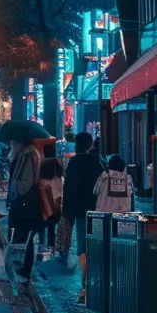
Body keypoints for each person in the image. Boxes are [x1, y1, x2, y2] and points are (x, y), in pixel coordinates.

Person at [61, 130, 105, 303]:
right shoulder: (98, 162)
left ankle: (84, 285)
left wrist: (66, 211)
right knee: (94, 244)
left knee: (82, 247)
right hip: (96, 209)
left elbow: (69, 188)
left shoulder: (74, 162)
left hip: (79, 211)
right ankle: (92, 282)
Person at [6, 136, 47, 282]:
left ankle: (23, 272)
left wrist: (14, 193)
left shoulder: (27, 155)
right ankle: (23, 270)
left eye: (13, 141)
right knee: (25, 237)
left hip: (25, 203)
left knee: (23, 238)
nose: (11, 143)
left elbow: (26, 182)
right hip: (30, 203)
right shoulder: (30, 153)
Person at [38, 141, 64, 254]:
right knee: (52, 226)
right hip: (56, 198)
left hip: (43, 197)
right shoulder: (57, 163)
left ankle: (41, 243)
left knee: (41, 223)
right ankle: (51, 246)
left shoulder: (41, 162)